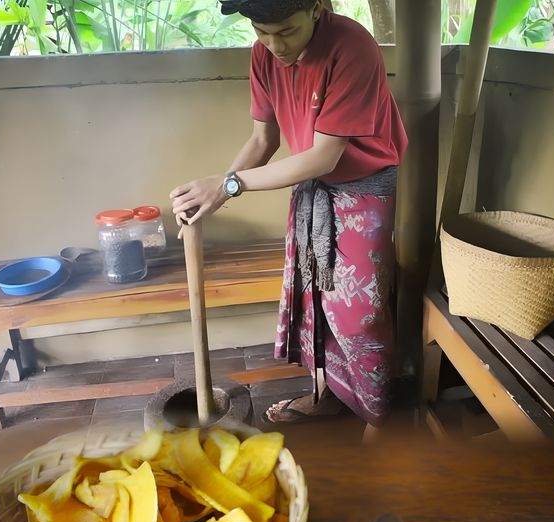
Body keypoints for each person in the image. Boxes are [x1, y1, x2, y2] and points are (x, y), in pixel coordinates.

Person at [170, 0, 407, 426]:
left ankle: (379, 417)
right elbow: (263, 140)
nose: (273, 44)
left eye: (286, 31)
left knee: (360, 317)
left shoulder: (352, 48)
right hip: (311, 186)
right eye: (262, 31)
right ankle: (326, 394)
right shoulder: (263, 54)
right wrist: (213, 195)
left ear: (317, 8)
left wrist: (228, 185)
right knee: (314, 301)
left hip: (362, 188)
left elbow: (323, 157)